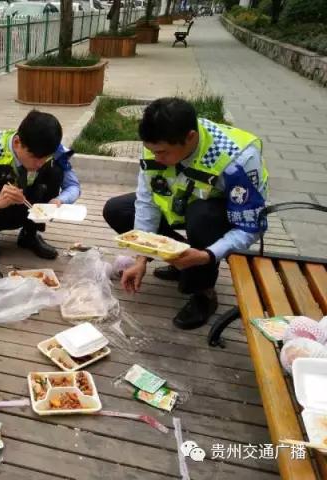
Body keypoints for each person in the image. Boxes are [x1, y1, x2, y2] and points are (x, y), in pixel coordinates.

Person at [103, 98, 268, 329]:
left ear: (190, 137)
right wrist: (141, 256)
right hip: (179, 205)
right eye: (152, 151)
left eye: (162, 152)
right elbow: (147, 201)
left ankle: (203, 292)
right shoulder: (157, 144)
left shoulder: (238, 159)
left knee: (202, 216)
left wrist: (207, 255)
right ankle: (179, 260)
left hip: (217, 216)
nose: (156, 158)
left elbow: (251, 227)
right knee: (118, 209)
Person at [0, 110, 81, 266]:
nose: (39, 164)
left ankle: (29, 235)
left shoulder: (55, 149)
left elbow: (73, 186)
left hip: (32, 205)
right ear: (17, 142)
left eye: (45, 158)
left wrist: (59, 200)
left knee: (55, 171)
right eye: (34, 157)